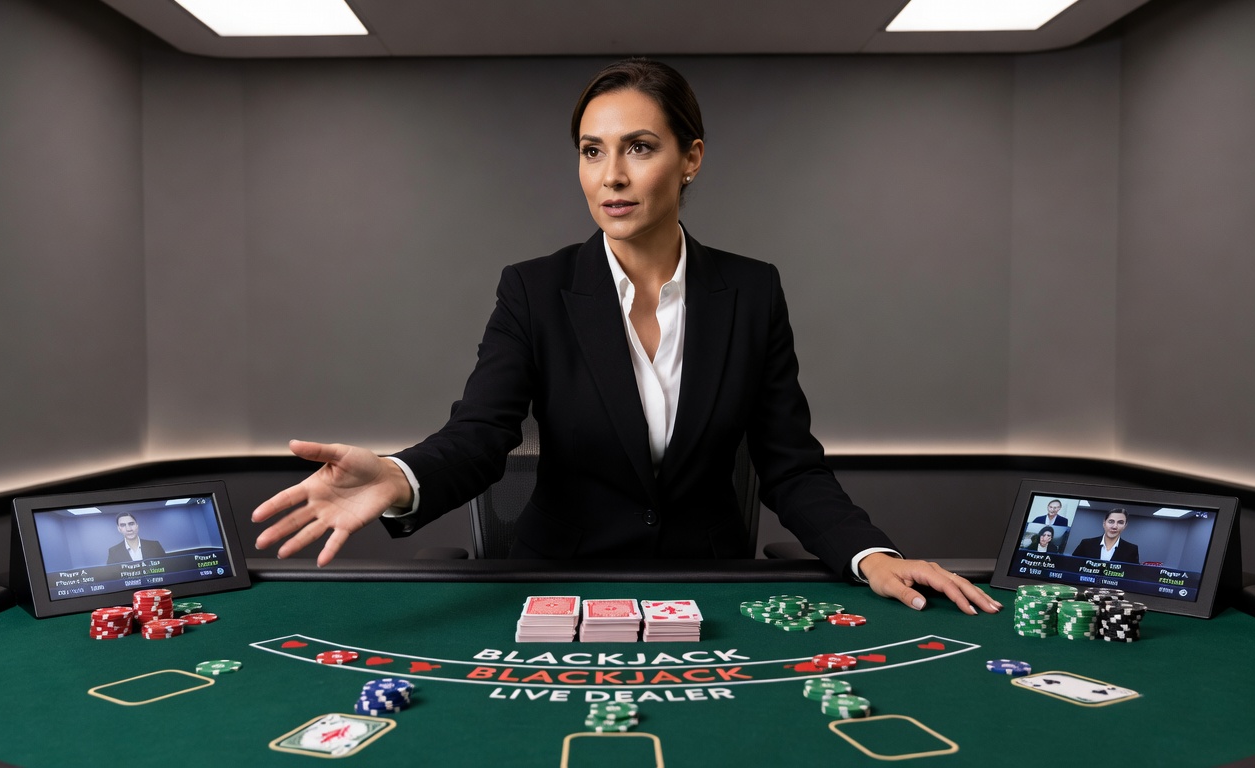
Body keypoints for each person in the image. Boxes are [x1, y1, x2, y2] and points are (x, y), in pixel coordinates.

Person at [252, 58, 1000, 616]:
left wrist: (871, 555)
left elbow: (789, 464)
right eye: (591, 150)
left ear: (691, 159)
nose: (611, 175)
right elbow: (480, 434)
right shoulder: (533, 289)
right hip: (560, 579)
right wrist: (399, 476)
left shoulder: (753, 291)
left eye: (639, 147)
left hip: (711, 588)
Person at [1070, 508, 1140, 563]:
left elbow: (1132, 573)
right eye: (1111, 521)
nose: (1114, 526)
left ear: (1125, 526)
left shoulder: (1132, 550)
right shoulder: (1086, 544)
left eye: (1120, 522)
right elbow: (1071, 565)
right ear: (1104, 523)